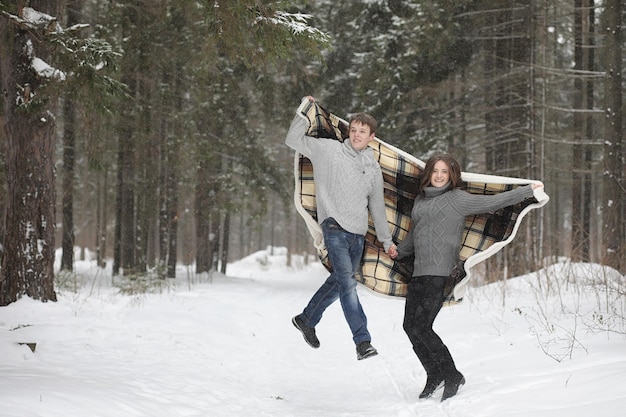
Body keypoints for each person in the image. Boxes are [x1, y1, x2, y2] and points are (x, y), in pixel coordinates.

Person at [390, 154, 544, 401]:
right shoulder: (420, 201)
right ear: (428, 174)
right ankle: (434, 374)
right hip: (418, 272)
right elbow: (414, 235)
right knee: (410, 327)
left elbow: (493, 203)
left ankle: (452, 375)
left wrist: (526, 191)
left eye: (445, 172)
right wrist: (399, 251)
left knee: (422, 327)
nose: (439, 176)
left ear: (452, 176)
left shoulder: (457, 199)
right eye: (435, 171)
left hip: (440, 273)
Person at [286, 96, 398, 361]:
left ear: (372, 136)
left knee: (339, 283)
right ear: (349, 131)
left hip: (357, 236)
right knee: (347, 284)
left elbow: (378, 208)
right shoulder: (329, 150)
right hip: (333, 226)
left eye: (363, 131)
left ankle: (306, 319)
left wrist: (386, 241)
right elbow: (293, 139)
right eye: (354, 129)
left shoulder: (373, 168)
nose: (357, 135)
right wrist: (304, 109)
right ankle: (362, 341)